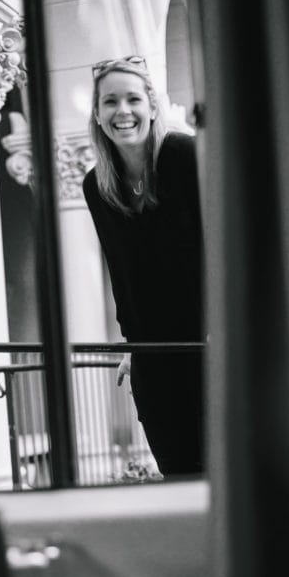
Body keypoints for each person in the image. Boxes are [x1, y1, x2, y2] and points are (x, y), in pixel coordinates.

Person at [82, 55, 204, 477]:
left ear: (153, 106)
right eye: (110, 102)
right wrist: (134, 343)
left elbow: (226, 242)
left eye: (133, 99)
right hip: (153, 357)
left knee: (226, 472)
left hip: (209, 344)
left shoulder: (183, 155)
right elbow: (123, 270)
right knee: (179, 474)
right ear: (97, 115)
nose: (123, 112)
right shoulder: (97, 186)